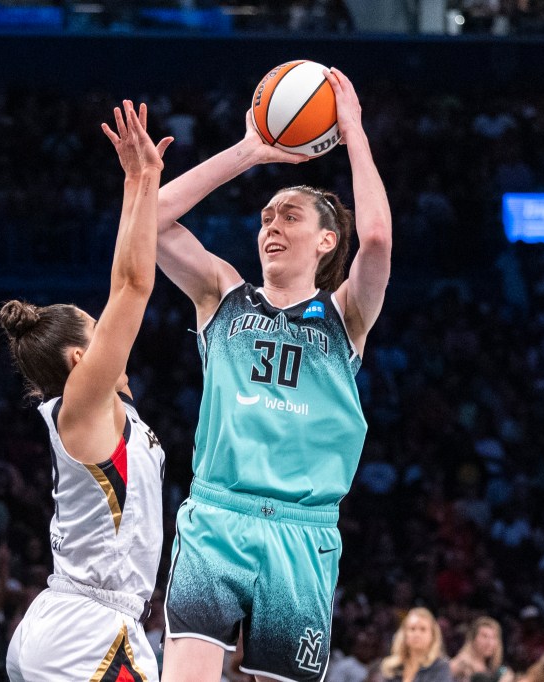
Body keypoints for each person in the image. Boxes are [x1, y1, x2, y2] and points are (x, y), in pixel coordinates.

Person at [157, 67, 392, 681]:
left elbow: (377, 238)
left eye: (289, 217)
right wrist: (248, 151)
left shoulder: (346, 316)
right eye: (265, 217)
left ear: (324, 241)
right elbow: (148, 221)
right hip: (217, 515)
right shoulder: (221, 294)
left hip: (301, 531)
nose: (271, 227)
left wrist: (354, 131)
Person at [1, 102, 170, 681]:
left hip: (77, 619)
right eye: (98, 333)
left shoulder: (93, 413)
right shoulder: (83, 402)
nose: (110, 336)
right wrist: (146, 182)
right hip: (87, 633)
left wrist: (133, 185)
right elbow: (133, 283)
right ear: (80, 358)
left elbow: (123, 276)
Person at [379, 608, 452, 682]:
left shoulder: (440, 667)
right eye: (412, 629)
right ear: (404, 634)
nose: (417, 634)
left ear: (432, 635)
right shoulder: (392, 668)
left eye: (423, 629)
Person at [450, 617, 514, 682]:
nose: (489, 643)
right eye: (484, 636)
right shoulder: (461, 664)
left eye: (494, 637)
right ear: (473, 639)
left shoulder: (493, 669)